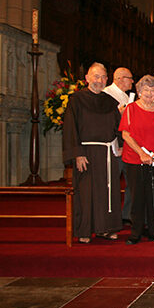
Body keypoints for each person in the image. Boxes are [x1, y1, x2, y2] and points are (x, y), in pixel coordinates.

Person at [62, 62, 122, 244]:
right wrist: (78, 153)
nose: (100, 80)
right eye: (96, 76)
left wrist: (120, 145)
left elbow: (118, 126)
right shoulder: (76, 100)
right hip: (86, 153)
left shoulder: (110, 102)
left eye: (103, 77)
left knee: (107, 191)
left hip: (107, 152)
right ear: (87, 78)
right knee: (86, 193)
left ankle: (106, 228)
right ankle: (84, 230)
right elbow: (70, 128)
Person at [119, 75, 154, 245]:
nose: (149, 93)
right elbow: (126, 134)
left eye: (153, 90)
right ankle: (136, 232)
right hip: (135, 159)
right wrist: (141, 153)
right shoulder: (131, 109)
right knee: (137, 197)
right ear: (139, 91)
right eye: (145, 90)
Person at [103, 67, 134, 225]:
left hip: (128, 145)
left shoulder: (126, 96)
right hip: (114, 146)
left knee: (131, 182)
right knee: (112, 182)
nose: (132, 81)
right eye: (130, 78)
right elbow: (106, 124)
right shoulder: (107, 94)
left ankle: (126, 214)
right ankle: (112, 215)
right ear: (120, 79)